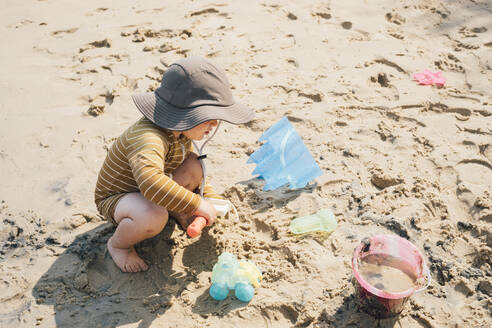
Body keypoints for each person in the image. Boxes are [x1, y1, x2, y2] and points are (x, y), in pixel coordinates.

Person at [94, 56, 254, 273]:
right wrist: (196, 204)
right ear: (186, 115)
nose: (215, 124)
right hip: (120, 198)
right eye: (208, 117)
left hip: (150, 189)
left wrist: (208, 196)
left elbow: (185, 169)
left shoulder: (179, 130)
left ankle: (176, 210)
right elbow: (151, 185)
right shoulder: (148, 138)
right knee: (153, 215)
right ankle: (118, 245)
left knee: (194, 164)